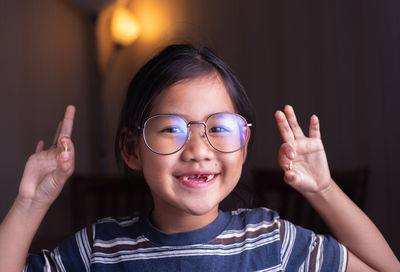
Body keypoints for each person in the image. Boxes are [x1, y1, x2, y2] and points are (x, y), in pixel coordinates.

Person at [0, 44, 398, 272]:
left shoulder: (272, 241)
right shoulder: (101, 248)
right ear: (131, 149)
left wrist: (324, 189)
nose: (198, 150)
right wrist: (31, 202)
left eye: (220, 127)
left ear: (242, 147)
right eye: (172, 127)